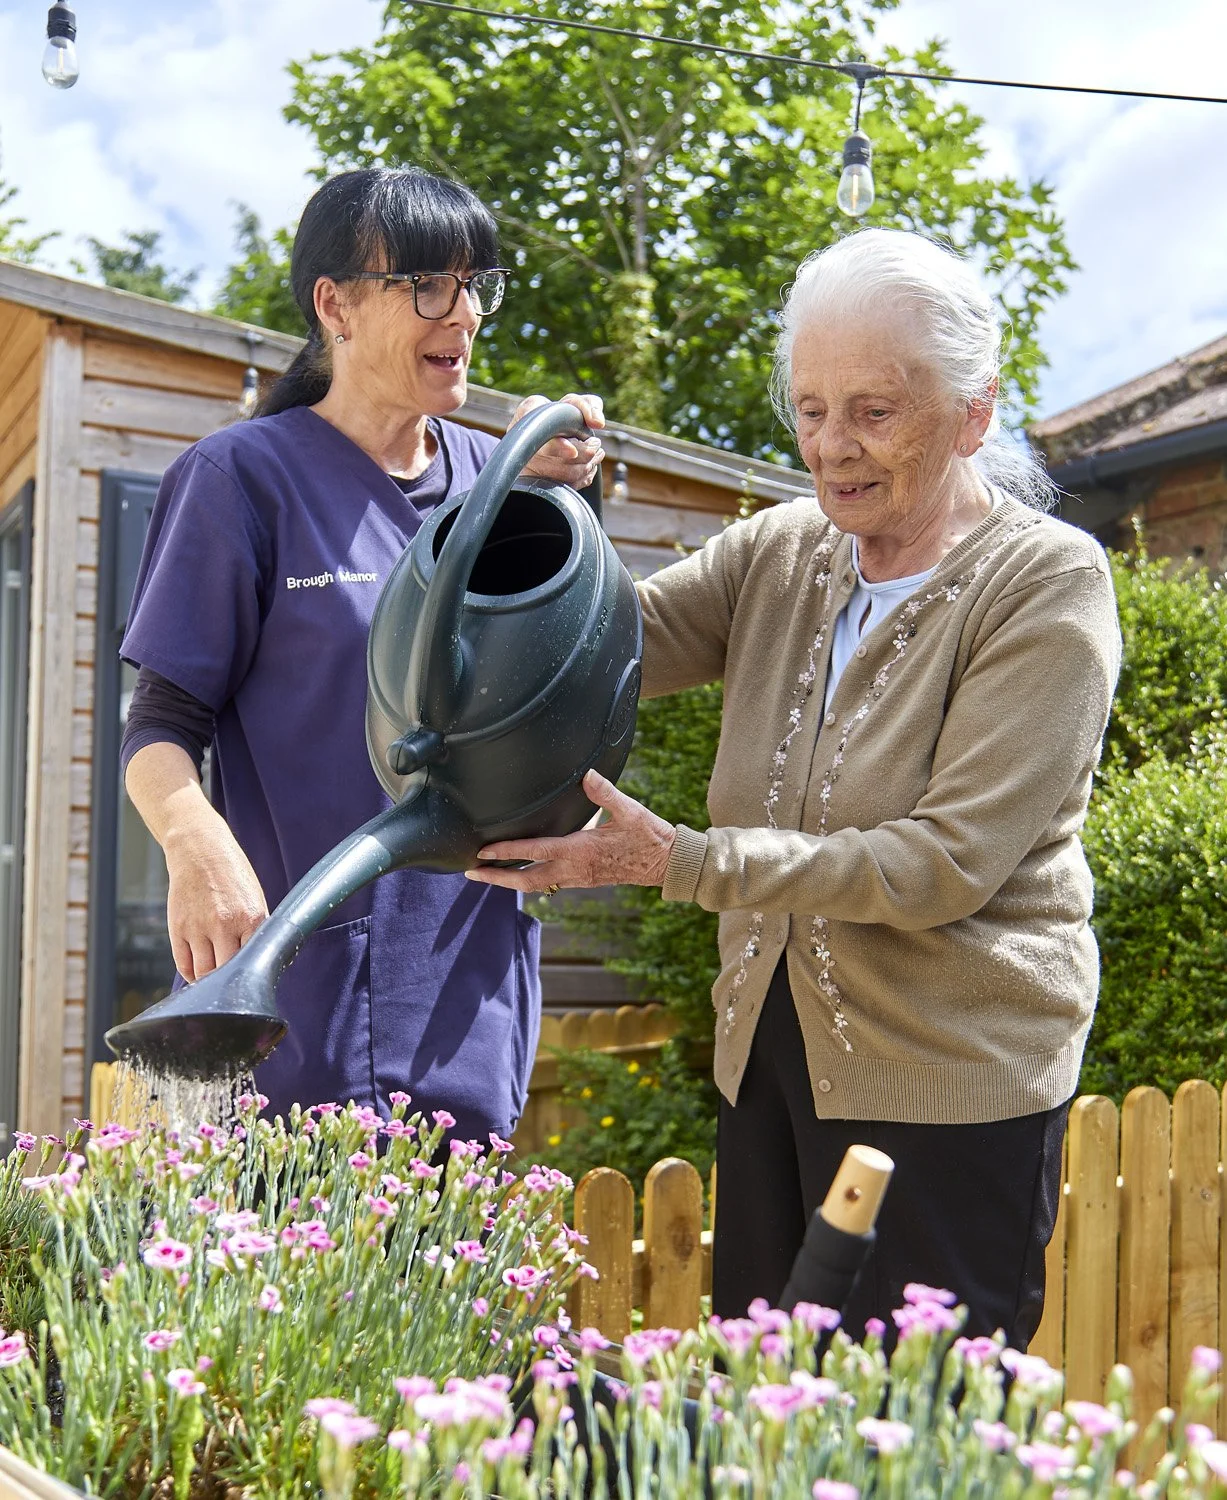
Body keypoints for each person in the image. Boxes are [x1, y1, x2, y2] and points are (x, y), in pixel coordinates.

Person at [466, 228, 1122, 1348]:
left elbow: (942, 864)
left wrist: (679, 862)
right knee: (771, 1411)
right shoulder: (780, 552)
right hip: (770, 1065)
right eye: (811, 410)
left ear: (974, 411)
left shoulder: (1045, 583)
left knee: (917, 1430)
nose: (832, 449)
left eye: (875, 411)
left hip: (947, 1086)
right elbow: (594, 645)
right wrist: (526, 511)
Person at [120, 167, 604, 1139]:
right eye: (429, 283)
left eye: (477, 286)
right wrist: (193, 843)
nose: (462, 313)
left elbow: (563, 699)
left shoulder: (500, 481)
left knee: (437, 1284)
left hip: (465, 1001)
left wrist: (572, 500)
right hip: (290, 998)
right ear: (334, 304)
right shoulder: (242, 480)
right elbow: (162, 726)